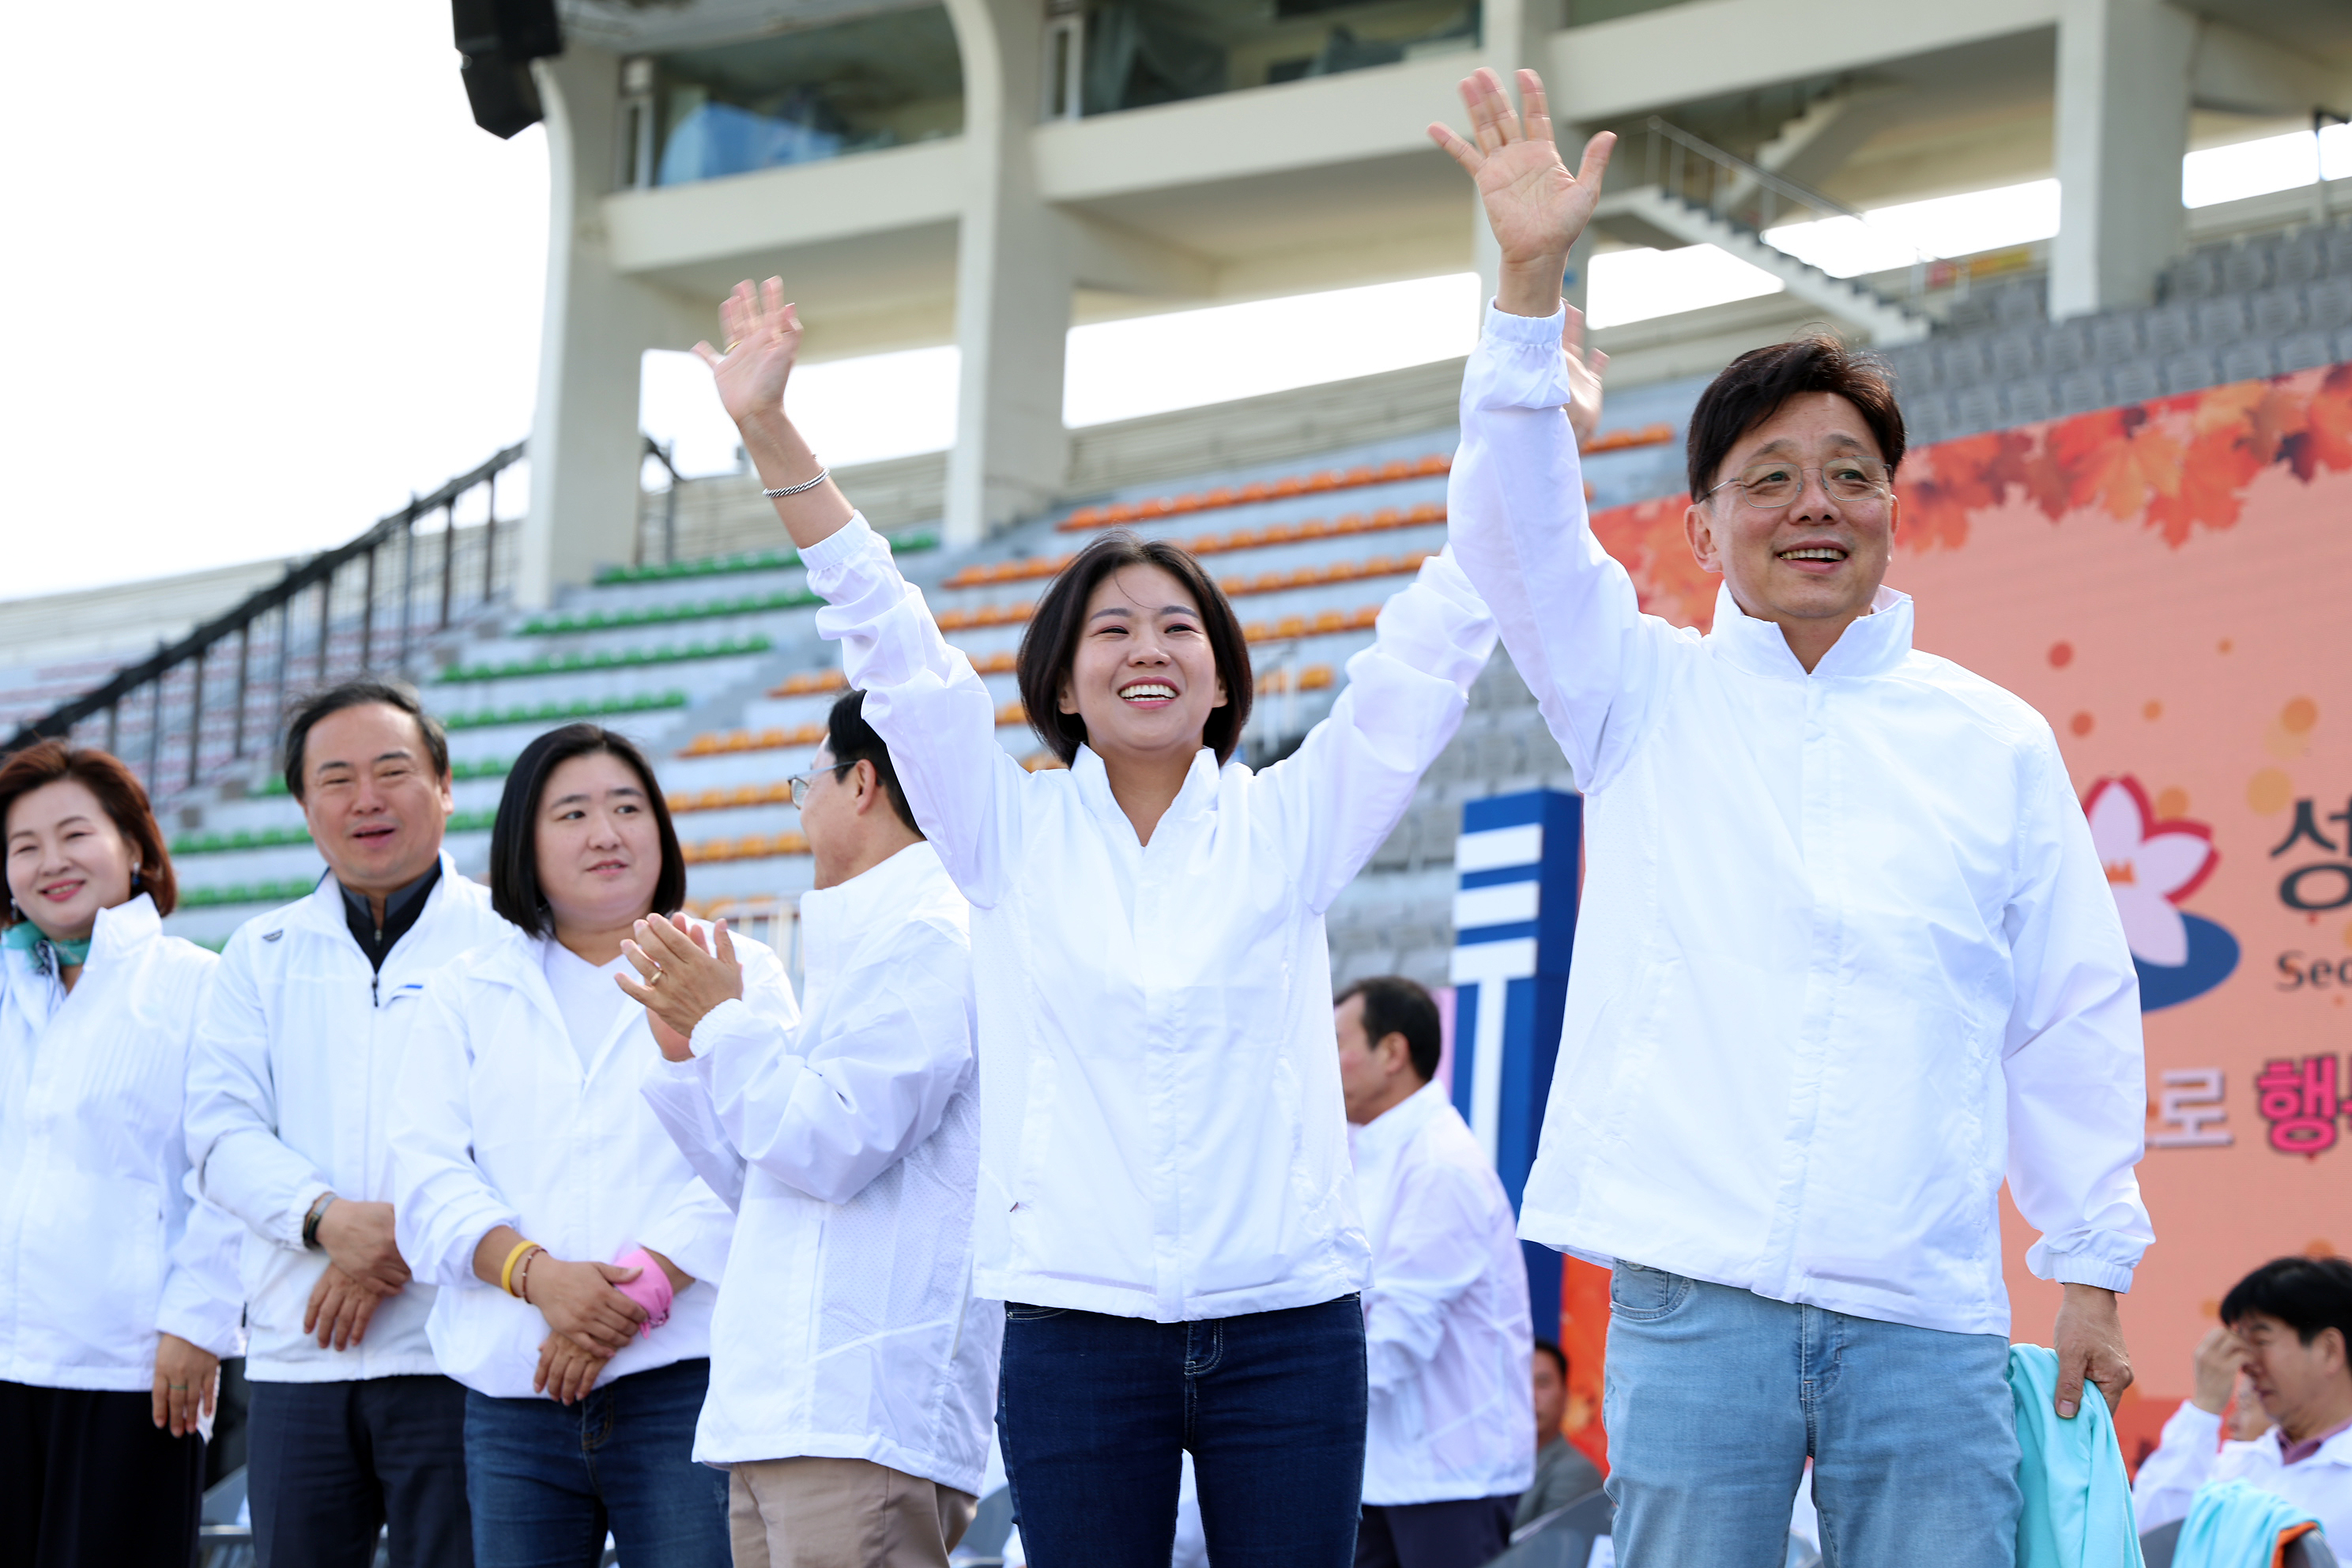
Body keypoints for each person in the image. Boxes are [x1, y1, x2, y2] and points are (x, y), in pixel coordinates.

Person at [1430, 66, 2152, 1566]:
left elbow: (2067, 1009)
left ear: (1897, 509)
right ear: (1702, 526)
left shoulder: (1992, 738)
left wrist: (2087, 1261)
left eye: (1847, 474)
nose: (1810, 503)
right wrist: (1524, 283)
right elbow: (1511, 531)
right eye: (1767, 478)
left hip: (1925, 1305)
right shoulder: (1639, 691)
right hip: (1696, 1295)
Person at [689, 277, 1499, 1568]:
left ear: (1223, 674)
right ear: (1062, 678)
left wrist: (1516, 353)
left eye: (1179, 626)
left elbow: (1430, 655)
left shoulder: (1291, 826)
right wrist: (772, 431)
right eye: (1112, 626)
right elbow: (890, 643)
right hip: (1073, 1331)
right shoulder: (1002, 834)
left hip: (1289, 1327)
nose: (1147, 646)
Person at [386, 723, 787, 1566]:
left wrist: (628, 1296)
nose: (607, 832)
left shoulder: (739, 968)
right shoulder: (466, 990)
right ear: (523, 844)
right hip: (512, 1390)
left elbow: (764, 1154)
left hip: (687, 1380)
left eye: (628, 807)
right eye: (572, 812)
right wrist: (540, 1278)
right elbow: (427, 1174)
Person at [628, 689, 999, 1568]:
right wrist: (692, 1054)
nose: (804, 808)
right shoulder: (869, 946)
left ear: (861, 781)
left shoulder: (933, 938)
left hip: (859, 1413)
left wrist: (724, 1025)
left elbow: (829, 1146)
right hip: (790, 1412)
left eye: (810, 782)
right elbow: (773, 1180)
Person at [187, 679, 508, 1568]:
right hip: (301, 1356)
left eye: (393, 770)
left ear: (444, 786)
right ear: (302, 805)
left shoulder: (511, 941)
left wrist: (396, 1239)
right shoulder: (260, 952)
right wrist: (330, 1219)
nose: (365, 798)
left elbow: (531, 1129)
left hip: (460, 1353)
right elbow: (219, 1135)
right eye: (336, 778)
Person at [0, 741, 246, 1566]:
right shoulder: (5, 991)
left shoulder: (198, 985)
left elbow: (230, 1173)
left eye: (75, 834)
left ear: (135, 846)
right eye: (24, 846)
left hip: (133, 1368)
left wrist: (196, 1324)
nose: (50, 862)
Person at [1334, 976, 1532, 1568]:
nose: (1319, 1059)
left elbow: (1400, 1332)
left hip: (1452, 1474)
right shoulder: (1365, 1150)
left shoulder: (1441, 1162)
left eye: (1335, 1041)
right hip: (1381, 1469)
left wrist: (1300, 1411)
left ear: (1392, 1053)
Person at [2132, 1257, 2352, 1546]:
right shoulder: (2236, 1465)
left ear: (2328, 1350)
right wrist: (2204, 1409)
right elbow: (2148, 1538)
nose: (2246, 1363)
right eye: (2240, 1344)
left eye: (2260, 1342)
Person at [1514, 1341, 1602, 1532]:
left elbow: (1547, 1551)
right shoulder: (1485, 1463)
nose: (1531, 1396)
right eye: (1520, 1383)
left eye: (1543, 1383)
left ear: (1565, 1397)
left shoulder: (1577, 1472)